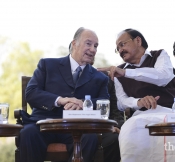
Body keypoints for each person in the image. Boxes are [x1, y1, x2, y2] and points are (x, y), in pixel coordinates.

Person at [19, 27, 119, 162]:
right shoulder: (47, 65)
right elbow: (31, 93)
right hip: (43, 124)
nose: (93, 49)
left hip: (79, 128)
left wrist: (82, 103)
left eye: (96, 46)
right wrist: (61, 100)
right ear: (74, 44)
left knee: (90, 138)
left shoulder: (100, 78)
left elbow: (104, 102)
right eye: (88, 43)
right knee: (27, 133)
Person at [98, 29, 175, 162]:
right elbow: (121, 102)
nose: (120, 50)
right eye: (118, 48)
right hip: (141, 117)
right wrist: (138, 102)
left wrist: (126, 73)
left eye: (122, 44)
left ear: (138, 40)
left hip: (171, 113)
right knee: (129, 130)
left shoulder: (159, 55)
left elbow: (163, 76)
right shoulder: (119, 71)